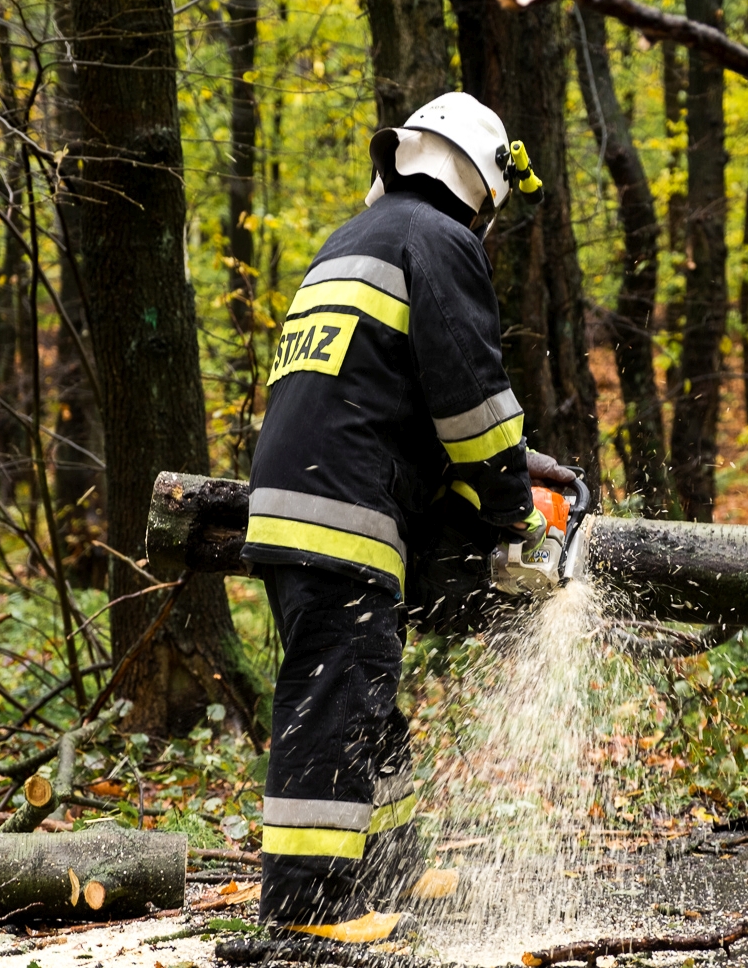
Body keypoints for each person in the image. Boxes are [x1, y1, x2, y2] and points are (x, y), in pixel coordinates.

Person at [239, 91, 575, 942]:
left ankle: (386, 867)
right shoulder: (441, 240)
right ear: (479, 187)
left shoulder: (356, 240)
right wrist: (515, 514)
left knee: (364, 693)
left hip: (303, 492)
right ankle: (304, 908)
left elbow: (389, 391)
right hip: (341, 508)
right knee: (334, 697)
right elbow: (471, 403)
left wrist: (515, 462)